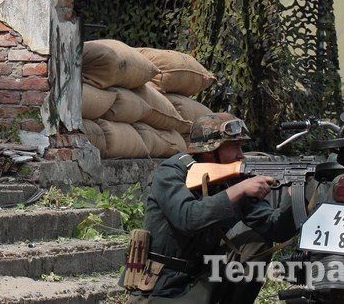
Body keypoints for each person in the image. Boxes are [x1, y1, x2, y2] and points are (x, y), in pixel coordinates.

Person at [127, 113, 297, 303]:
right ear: (210, 150)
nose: (241, 154)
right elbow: (189, 219)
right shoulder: (171, 173)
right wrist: (239, 190)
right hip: (160, 288)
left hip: (202, 281)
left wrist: (294, 192)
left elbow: (275, 229)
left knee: (255, 241)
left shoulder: (231, 180)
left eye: (242, 146)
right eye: (234, 146)